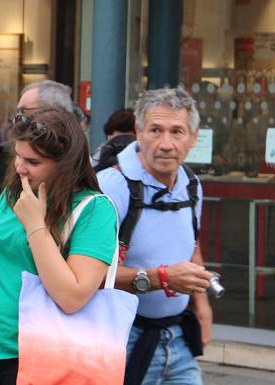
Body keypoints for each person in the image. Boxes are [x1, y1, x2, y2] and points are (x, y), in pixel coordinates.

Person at [0, 107, 118, 385]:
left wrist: (35, 225)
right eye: (18, 156)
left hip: (48, 355)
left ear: (66, 163)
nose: (19, 167)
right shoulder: (13, 193)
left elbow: (72, 297)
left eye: (33, 162)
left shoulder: (95, 209)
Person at [96, 88, 212, 385]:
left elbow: (191, 243)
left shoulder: (191, 185)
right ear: (138, 131)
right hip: (121, 337)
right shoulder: (112, 186)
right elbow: (86, 274)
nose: (166, 144)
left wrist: (202, 304)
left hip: (177, 336)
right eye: (155, 130)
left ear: (193, 137)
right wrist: (162, 277)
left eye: (177, 132)